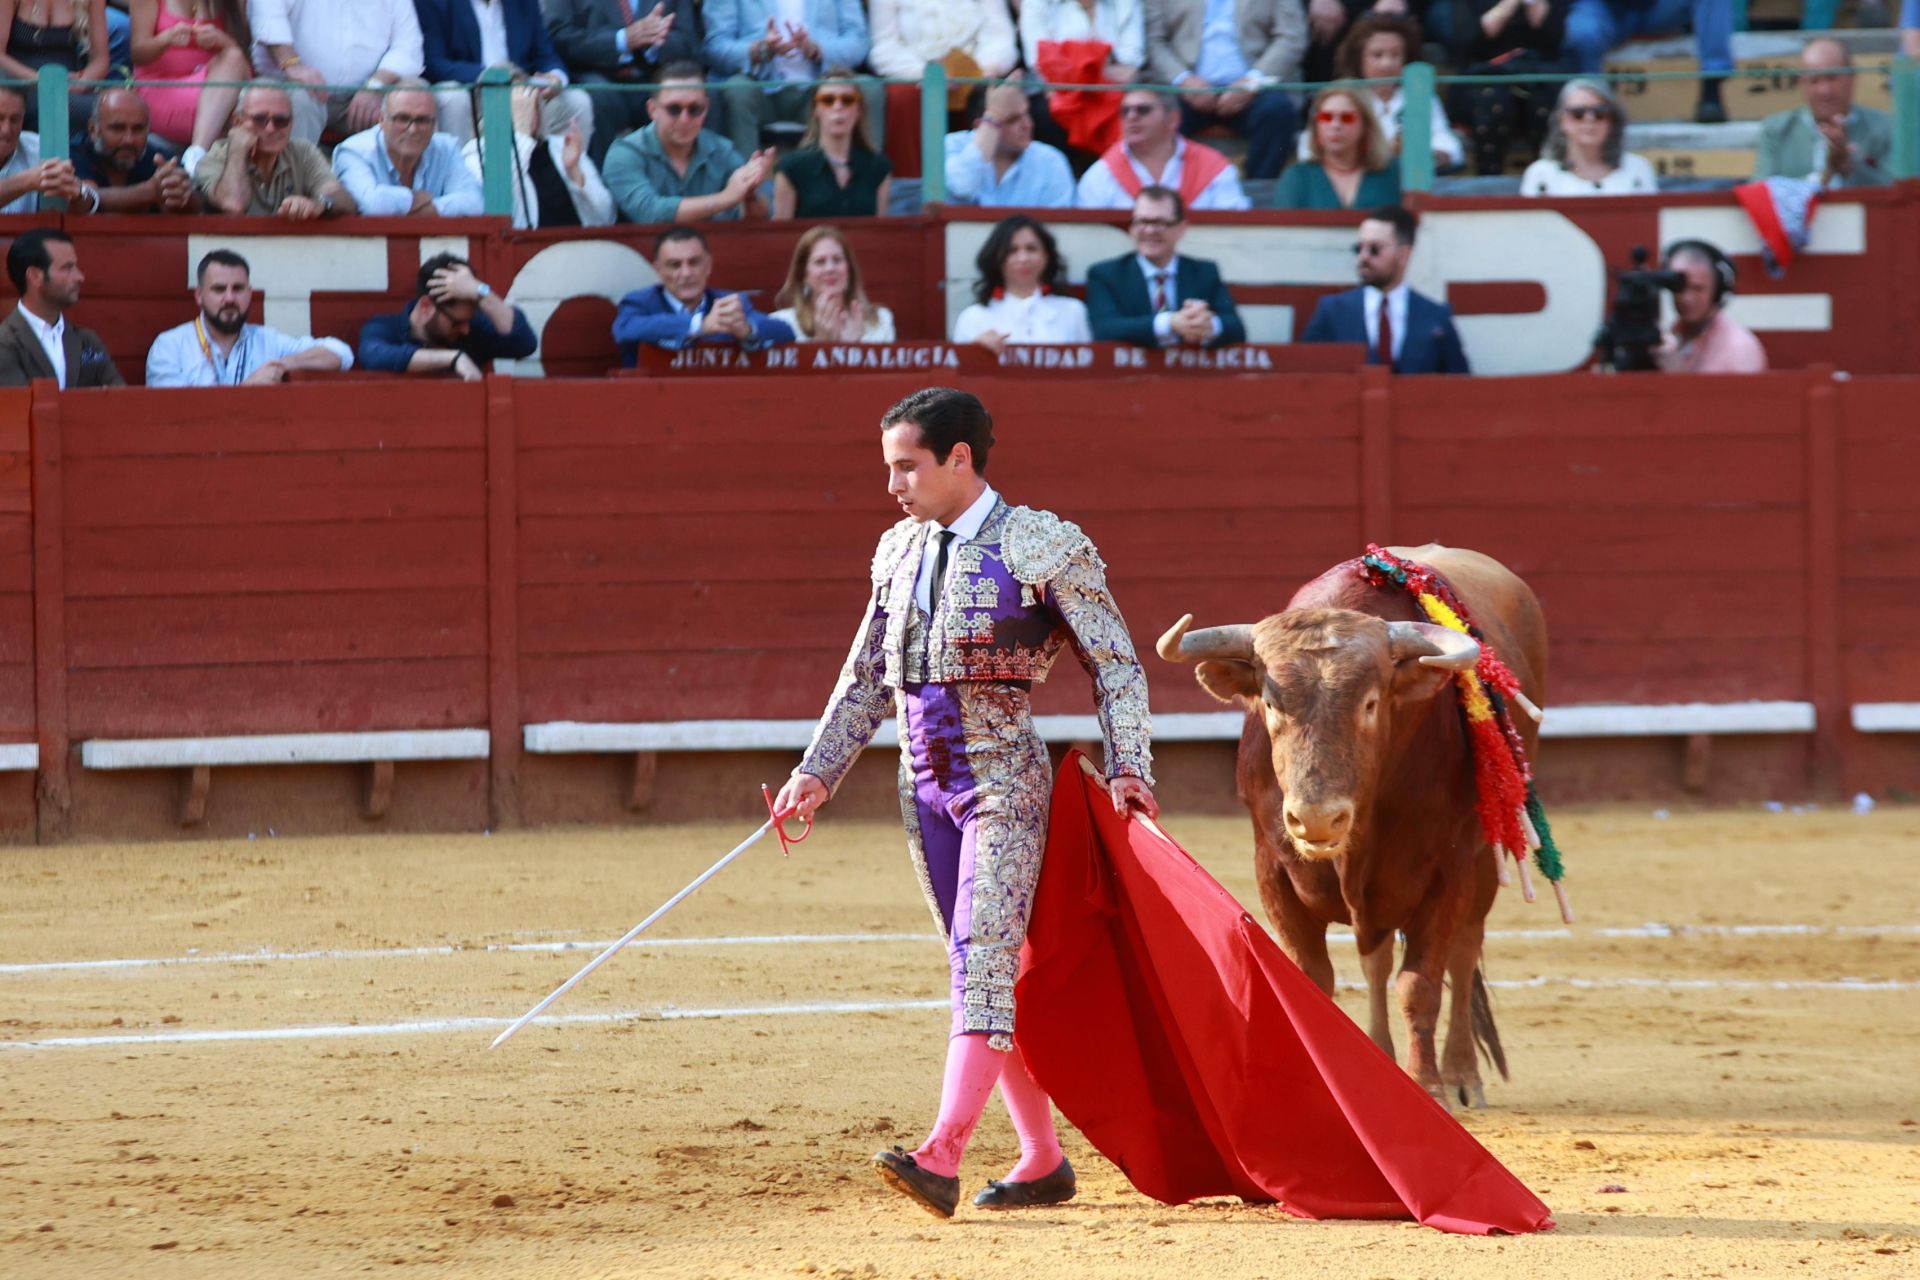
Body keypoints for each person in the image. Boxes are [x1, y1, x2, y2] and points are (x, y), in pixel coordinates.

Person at [773, 385, 1156, 1220]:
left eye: (906, 466)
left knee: (983, 967)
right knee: (979, 972)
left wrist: (1132, 764)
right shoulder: (898, 549)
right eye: (888, 468)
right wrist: (817, 772)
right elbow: (868, 674)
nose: (893, 486)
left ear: (958, 459)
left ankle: (942, 1153)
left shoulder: (1041, 546)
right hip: (922, 788)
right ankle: (1043, 1158)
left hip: (1002, 786)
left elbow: (1117, 662)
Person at [1144, 0, 1305, 182]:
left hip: (1255, 87)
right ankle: (1161, 195)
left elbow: (1292, 37)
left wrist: (1251, 83)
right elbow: (1154, 41)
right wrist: (1183, 80)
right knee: (1152, 116)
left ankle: (1259, 194)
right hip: (1184, 89)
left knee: (1278, 113)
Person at [1299, 203, 1469, 374]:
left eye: (1374, 249)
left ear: (1403, 255)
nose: (1363, 257)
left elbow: (1460, 386)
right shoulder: (1331, 312)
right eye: (1359, 248)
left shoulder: (1435, 316)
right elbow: (1305, 378)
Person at [146, 249, 355, 386]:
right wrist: (248, 388)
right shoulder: (170, 345)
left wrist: (282, 364)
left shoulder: (267, 340)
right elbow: (174, 414)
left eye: (238, 288)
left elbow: (341, 353)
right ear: (199, 296)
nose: (229, 298)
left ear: (249, 293)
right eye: (219, 289)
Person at [704, 0, 880, 163]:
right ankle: (745, 186)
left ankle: (865, 185)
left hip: (819, 88)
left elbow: (858, 41)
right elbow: (714, 46)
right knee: (737, 89)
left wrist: (817, 50)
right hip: (758, 89)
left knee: (867, 88)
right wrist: (758, 50)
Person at [601, 63, 772, 224]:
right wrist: (726, 199)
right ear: (652, 109)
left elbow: (759, 217)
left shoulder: (722, 149)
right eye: (674, 109)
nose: (684, 120)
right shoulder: (624, 152)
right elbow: (649, 213)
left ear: (706, 108)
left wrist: (750, 195)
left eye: (694, 109)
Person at [414, 0, 595, 149]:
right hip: (470, 88)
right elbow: (433, 62)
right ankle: (460, 180)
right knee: (452, 97)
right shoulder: (435, 3)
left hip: (522, 88)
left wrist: (555, 77)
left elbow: (545, 53)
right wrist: (492, 76)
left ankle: (567, 182)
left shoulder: (523, 3)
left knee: (577, 101)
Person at [543, 0, 702, 166]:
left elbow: (690, 42)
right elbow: (559, 37)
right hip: (595, 75)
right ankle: (601, 187)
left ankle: (698, 185)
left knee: (699, 95)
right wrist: (622, 40)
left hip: (656, 75)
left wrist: (654, 40)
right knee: (598, 98)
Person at [1086, 185, 1245, 347]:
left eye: (1160, 222)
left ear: (1181, 229)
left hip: (1189, 371)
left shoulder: (1204, 272)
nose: (1149, 230)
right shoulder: (1106, 274)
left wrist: (1208, 325)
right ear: (1132, 228)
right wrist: (1169, 323)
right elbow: (1104, 329)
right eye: (1142, 221)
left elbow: (1236, 328)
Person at [249, 0, 426, 145]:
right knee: (300, 97)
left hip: (365, 96)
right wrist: (291, 64)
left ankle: (412, 187)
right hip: (302, 89)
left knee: (416, 96)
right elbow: (267, 16)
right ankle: (292, 185)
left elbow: (409, 45)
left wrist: (375, 86)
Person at [611, 226, 793, 365]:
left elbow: (784, 332)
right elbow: (625, 329)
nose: (686, 273)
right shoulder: (640, 302)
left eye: (694, 262)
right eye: (675, 265)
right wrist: (699, 325)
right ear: (658, 270)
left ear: (708, 265)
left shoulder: (727, 303)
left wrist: (746, 330)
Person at [461, 79, 614, 228]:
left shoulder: (561, 145)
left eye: (531, 101)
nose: (528, 111)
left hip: (579, 247)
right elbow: (492, 203)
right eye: (519, 106)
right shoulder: (476, 152)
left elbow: (606, 217)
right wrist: (521, 131)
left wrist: (575, 175)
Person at [1443, 0, 1570, 177]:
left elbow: (1554, 36)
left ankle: (1548, 177)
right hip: (1484, 74)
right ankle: (1488, 180)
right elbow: (1470, 39)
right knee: (1493, 100)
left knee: (1544, 97)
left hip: (1536, 72)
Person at [357, 252, 535, 378]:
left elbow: (524, 343)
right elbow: (375, 355)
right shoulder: (383, 326)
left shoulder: (474, 329)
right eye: (456, 323)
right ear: (426, 307)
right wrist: (454, 358)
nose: (465, 330)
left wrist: (480, 291)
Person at [1075, 88, 1250, 211]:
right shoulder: (1101, 174)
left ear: (1173, 119)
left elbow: (1233, 231)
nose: (1131, 117)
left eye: (1143, 110)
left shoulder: (1214, 168)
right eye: (1125, 111)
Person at [197, 82, 354, 218]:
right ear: (238, 121)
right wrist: (237, 150)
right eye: (260, 119)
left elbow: (344, 201)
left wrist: (319, 204)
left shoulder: (302, 151)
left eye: (281, 120)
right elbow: (234, 204)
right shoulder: (215, 158)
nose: (271, 128)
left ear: (291, 123)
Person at [1328, 13, 1460, 173]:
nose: (1387, 64)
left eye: (1395, 55)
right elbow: (1309, 148)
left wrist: (1437, 155)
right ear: (1358, 59)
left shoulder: (1419, 97)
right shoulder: (1343, 97)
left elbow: (1443, 138)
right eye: (1377, 55)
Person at [1754, 37, 1892, 190]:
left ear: (1851, 77)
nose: (1824, 90)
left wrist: (1849, 165)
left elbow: (1901, 193)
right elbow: (1760, 193)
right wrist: (1824, 176)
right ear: (1802, 83)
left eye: (1832, 78)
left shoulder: (1885, 128)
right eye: (1814, 80)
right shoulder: (1776, 130)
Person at [1562, 0, 1732, 124]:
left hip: (1656, 8)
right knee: (1582, 33)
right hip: (1602, 9)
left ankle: (1712, 88)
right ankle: (1592, 110)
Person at [332, 84, 485, 217]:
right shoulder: (353, 151)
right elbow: (373, 205)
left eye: (422, 120)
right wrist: (415, 199)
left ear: (434, 123)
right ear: (381, 120)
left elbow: (475, 203)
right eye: (402, 119)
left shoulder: (446, 147)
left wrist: (429, 208)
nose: (412, 129)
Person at [0, 228, 123, 388]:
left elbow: (118, 396)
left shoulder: (88, 341)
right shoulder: (4, 342)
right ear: (35, 276)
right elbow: (23, 408)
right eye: (67, 268)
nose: (80, 277)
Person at [952, 214, 1092, 350]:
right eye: (1012, 250)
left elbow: (1090, 369)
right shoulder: (973, 317)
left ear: (1046, 255)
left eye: (1031, 249)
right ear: (996, 258)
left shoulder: (1073, 311)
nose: (1023, 258)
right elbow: (957, 371)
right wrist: (976, 353)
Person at [129, 0, 251, 151]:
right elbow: (137, 54)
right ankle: (201, 153)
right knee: (243, 118)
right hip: (161, 87)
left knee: (233, 57)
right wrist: (165, 39)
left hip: (216, 87)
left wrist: (223, 41)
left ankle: (196, 153)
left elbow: (245, 69)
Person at [772, 69, 893, 220]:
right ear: (816, 109)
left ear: (859, 110)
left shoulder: (878, 168)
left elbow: (881, 233)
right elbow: (780, 236)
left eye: (847, 100)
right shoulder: (791, 169)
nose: (837, 107)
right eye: (828, 100)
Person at [943, 82, 1075, 209]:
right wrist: (994, 115)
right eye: (1013, 120)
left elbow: (1058, 229)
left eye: (1027, 114)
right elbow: (962, 186)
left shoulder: (1051, 161)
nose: (1027, 125)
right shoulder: (952, 145)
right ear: (980, 126)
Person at [70, 86, 202, 213]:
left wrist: (180, 194)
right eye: (118, 128)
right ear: (93, 130)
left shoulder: (158, 158)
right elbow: (84, 197)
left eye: (138, 129)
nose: (129, 139)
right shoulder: (74, 153)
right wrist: (149, 192)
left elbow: (196, 204)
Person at [1272, 82, 1400, 209]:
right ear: (1316, 125)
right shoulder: (1296, 178)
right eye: (1326, 117)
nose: (1335, 125)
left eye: (1346, 118)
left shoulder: (1394, 172)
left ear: (1365, 126)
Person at [1518, 77, 1654, 195]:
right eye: (1578, 113)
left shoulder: (1637, 167)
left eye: (1600, 113)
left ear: (1613, 120)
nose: (1589, 119)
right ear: (1561, 120)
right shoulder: (1541, 173)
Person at [768, 225, 896, 342]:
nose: (830, 268)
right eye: (820, 262)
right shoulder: (783, 323)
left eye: (837, 260)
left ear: (849, 269)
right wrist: (821, 344)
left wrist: (853, 350)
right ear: (803, 275)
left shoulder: (881, 321)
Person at [1656, 239, 1765, 374]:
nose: (1686, 298)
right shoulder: (1671, 337)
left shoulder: (1739, 348)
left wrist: (1678, 376)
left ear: (1718, 290)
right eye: (1680, 288)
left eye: (1698, 289)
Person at [0, 0, 109, 132]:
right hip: (22, 83)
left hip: (69, 86)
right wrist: (42, 80)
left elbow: (100, 60)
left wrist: (81, 82)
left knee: (112, 113)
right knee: (56, 108)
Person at [867, 0, 1017, 82]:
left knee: (992, 95)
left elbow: (1000, 36)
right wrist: (925, 74)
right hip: (915, 76)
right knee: (902, 96)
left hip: (975, 74)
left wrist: (982, 70)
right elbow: (885, 46)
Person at [0, 83, 79, 214]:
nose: (6, 130)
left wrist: (78, 191)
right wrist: (26, 181)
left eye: (15, 120)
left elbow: (85, 194)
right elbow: (29, 180)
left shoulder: (39, 147)